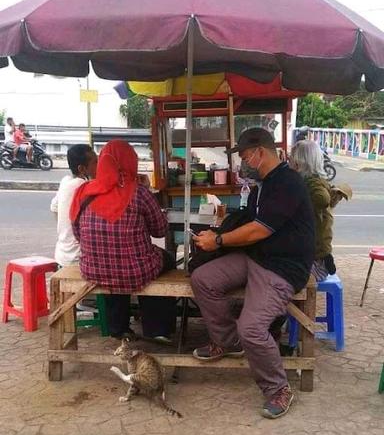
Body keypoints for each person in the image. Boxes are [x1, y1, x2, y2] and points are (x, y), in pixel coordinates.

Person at [191, 128, 315, 420]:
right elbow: (249, 221)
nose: (244, 162)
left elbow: (260, 229)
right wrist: (218, 232)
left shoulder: (288, 183)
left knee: (252, 328)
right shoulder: (264, 184)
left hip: (282, 267)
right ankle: (228, 342)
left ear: (260, 152)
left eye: (246, 156)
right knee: (203, 279)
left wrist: (218, 241)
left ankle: (278, 388)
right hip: (256, 257)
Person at [70, 139, 176, 341]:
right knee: (166, 260)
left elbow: (78, 234)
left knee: (112, 265)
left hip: (93, 269)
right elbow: (160, 231)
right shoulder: (139, 193)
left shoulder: (84, 192)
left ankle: (118, 328)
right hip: (135, 270)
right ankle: (157, 329)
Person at [290, 140, 352, 281]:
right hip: (314, 256)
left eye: (291, 159)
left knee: (279, 278)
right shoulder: (313, 181)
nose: (289, 163)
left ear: (299, 162)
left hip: (315, 262)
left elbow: (322, 199)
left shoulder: (312, 183)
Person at [50, 144, 98, 267]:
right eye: (95, 162)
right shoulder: (85, 187)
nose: (99, 166)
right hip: (78, 259)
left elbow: (54, 207)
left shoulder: (66, 181)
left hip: (61, 255)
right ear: (82, 169)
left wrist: (66, 231)